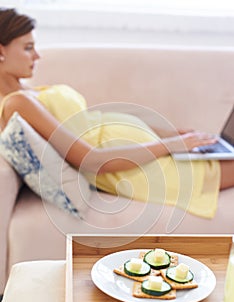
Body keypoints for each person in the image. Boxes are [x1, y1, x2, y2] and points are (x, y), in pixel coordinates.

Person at [0, 7, 233, 219]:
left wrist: (169, 135)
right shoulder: (17, 103)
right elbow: (90, 159)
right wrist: (173, 144)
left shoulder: (26, 92)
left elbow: (84, 125)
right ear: (1, 52)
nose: (37, 56)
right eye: (28, 48)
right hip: (133, 170)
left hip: (144, 154)